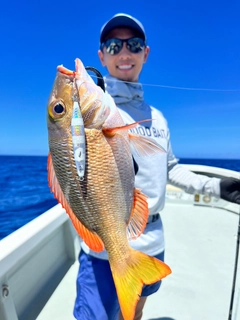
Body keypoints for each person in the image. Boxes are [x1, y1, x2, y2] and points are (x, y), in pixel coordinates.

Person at [73, 13, 240, 320]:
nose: (124, 52)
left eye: (134, 44)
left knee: (133, 313)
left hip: (151, 242)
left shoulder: (158, 119)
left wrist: (217, 187)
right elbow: (74, 166)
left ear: (145, 53)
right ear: (101, 55)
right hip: (102, 249)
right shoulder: (89, 113)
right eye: (113, 45)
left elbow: (171, 168)